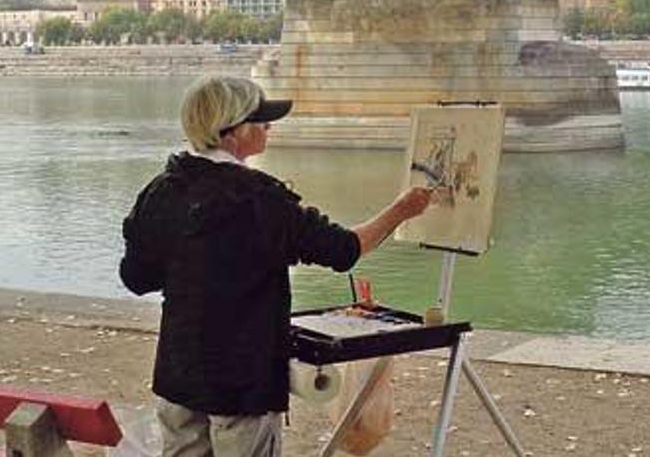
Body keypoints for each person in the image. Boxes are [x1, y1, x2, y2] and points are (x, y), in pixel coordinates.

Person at [119, 75, 432, 456]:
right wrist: (401, 211)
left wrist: (193, 264)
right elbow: (344, 250)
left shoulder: (161, 190)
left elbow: (136, 278)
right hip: (242, 378)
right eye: (262, 120)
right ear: (232, 131)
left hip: (178, 370)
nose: (269, 127)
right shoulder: (259, 199)